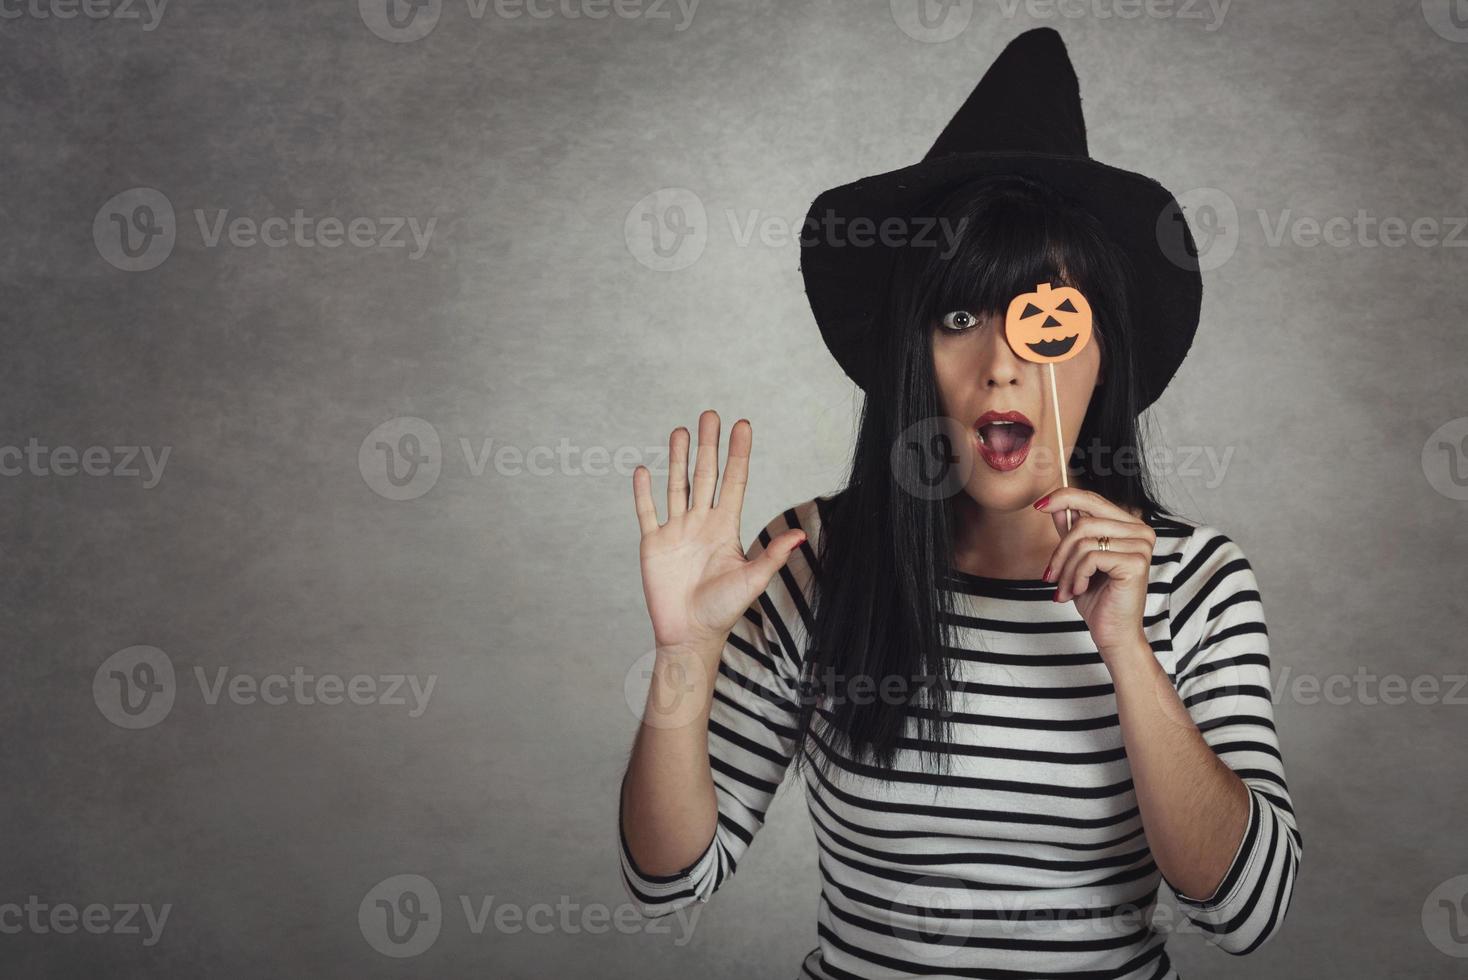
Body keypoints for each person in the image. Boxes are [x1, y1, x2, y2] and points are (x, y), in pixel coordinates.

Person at [618, 29, 1300, 979]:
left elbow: (1248, 911)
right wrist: (684, 661)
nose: (1003, 364)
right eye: (957, 318)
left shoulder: (1198, 581)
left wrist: (1128, 651)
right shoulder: (809, 560)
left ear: (1105, 358)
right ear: (913, 355)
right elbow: (667, 880)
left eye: (1047, 320)